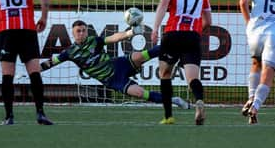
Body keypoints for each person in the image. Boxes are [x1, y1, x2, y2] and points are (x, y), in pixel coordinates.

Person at [40, 20, 190, 109]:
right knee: (140, 93)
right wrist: (35, 71)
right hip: (113, 80)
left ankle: (174, 44)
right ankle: (174, 100)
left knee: (140, 55)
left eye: (84, 31)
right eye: (78, 31)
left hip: (118, 65)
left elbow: (113, 38)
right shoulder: (70, 52)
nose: (81, 33)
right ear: (73, 33)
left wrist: (130, 33)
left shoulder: (95, 41)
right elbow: (51, 62)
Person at [151, 0, 212, 125]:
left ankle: (168, 116)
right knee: (192, 77)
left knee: (165, 74)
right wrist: (196, 31)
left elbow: (163, 6)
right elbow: (208, 21)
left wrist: (155, 28)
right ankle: (199, 101)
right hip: (192, 36)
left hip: (173, 34)